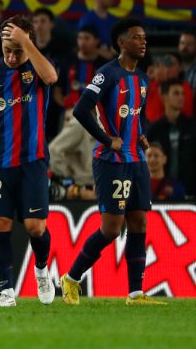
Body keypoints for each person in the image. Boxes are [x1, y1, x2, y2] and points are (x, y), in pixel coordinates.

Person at [60, 18, 166, 306]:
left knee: (139, 222)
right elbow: (82, 110)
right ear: (121, 42)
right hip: (111, 159)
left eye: (144, 37)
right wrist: (107, 139)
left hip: (136, 159)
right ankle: (71, 278)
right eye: (136, 37)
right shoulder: (107, 74)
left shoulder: (142, 79)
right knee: (111, 228)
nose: (143, 42)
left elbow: (137, 114)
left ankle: (135, 293)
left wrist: (141, 135)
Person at [0, 15, 58, 307]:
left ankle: (42, 271)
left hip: (33, 160)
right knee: (0, 223)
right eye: (7, 48)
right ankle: (6, 290)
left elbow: (52, 78)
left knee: (35, 227)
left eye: (16, 49)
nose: (11, 55)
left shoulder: (38, 66)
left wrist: (27, 44)